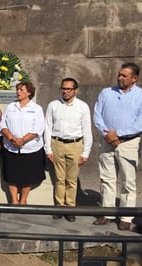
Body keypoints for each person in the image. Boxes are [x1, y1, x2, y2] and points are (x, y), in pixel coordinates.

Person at [93, 62, 142, 231]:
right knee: (107, 178)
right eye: (119, 74)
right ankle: (107, 213)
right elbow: (97, 114)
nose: (120, 77)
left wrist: (118, 134)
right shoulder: (107, 92)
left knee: (128, 181)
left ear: (134, 78)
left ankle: (126, 216)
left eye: (124, 75)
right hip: (107, 141)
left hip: (128, 142)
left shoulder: (140, 96)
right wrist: (107, 134)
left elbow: (140, 122)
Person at [44, 78, 93, 222]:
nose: (65, 91)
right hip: (57, 143)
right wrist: (48, 149)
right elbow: (48, 127)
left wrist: (86, 152)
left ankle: (70, 207)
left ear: (75, 90)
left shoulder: (82, 107)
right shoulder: (53, 105)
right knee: (59, 178)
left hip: (75, 144)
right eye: (63, 88)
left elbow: (87, 129)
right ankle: (59, 206)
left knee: (71, 179)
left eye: (68, 89)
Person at [0, 82, 45, 205]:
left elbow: (38, 129)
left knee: (27, 175)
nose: (18, 92)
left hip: (30, 148)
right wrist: (11, 137)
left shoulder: (36, 109)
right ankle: (14, 200)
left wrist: (22, 140)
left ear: (29, 92)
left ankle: (23, 199)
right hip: (11, 147)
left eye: (21, 89)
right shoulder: (11, 107)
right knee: (11, 174)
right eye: (17, 89)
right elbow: (3, 124)